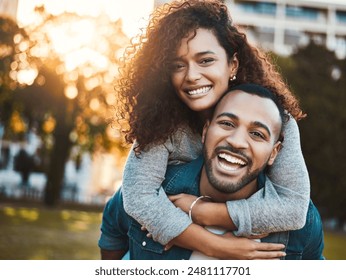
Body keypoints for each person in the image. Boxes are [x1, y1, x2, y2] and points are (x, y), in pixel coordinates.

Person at [114, 0, 310, 259]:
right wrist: (216, 245)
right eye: (178, 65)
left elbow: (295, 208)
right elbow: (138, 197)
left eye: (205, 60)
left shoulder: (276, 119)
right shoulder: (160, 122)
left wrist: (204, 212)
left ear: (233, 65)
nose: (191, 75)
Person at [99, 84, 324, 260]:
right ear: (206, 131)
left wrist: (201, 212)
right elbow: (113, 227)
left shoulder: (304, 225)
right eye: (227, 123)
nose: (237, 142)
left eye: (257, 134)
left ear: (274, 152)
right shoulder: (153, 196)